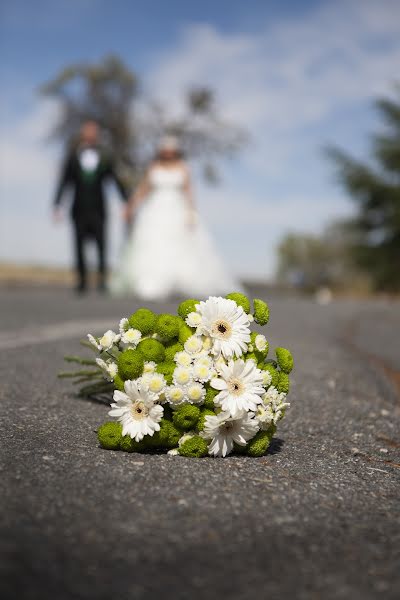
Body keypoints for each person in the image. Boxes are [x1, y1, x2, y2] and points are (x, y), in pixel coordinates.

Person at [110, 135, 241, 300]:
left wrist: (191, 213)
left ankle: (178, 282)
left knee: (180, 244)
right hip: (155, 210)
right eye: (165, 151)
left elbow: (188, 192)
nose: (168, 154)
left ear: (176, 152)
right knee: (154, 244)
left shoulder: (183, 168)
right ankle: (151, 282)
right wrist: (131, 206)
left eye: (171, 151)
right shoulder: (154, 167)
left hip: (176, 210)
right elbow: (143, 189)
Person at [53, 120, 128, 293]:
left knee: (102, 244)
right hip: (78, 207)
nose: (90, 134)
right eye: (87, 130)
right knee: (78, 244)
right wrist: (57, 205)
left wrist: (125, 201)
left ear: (98, 134)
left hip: (99, 208)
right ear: (82, 133)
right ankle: (82, 281)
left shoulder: (105, 156)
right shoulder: (73, 156)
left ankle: (102, 281)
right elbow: (65, 181)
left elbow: (115, 179)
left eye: (93, 131)